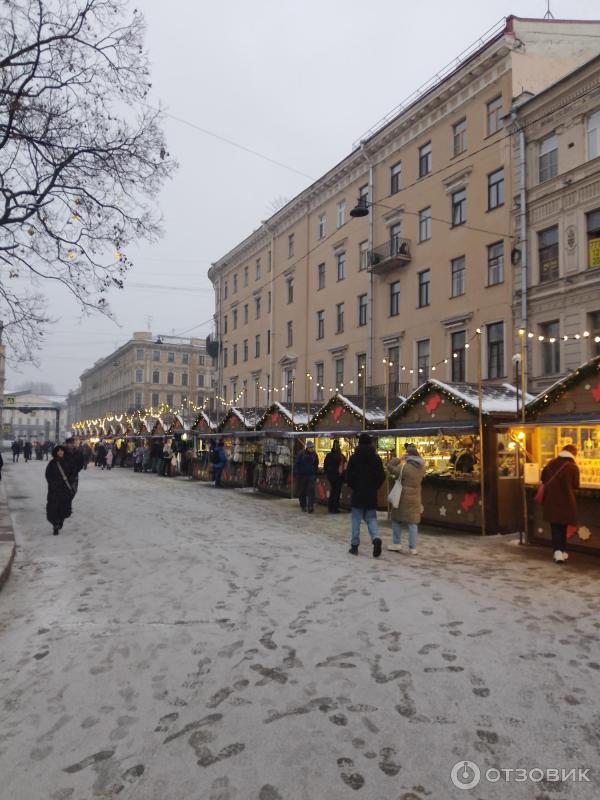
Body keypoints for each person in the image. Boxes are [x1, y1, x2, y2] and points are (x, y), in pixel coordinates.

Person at [345, 432, 386, 557]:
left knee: (356, 520)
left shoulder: (354, 458)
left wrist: (354, 486)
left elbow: (349, 476)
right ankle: (376, 538)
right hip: (370, 494)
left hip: (358, 493)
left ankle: (354, 545)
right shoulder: (376, 458)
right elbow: (381, 476)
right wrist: (374, 487)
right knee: (371, 519)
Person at [541, 443, 580, 564]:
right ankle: (560, 551)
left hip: (551, 501)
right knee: (563, 526)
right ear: (574, 454)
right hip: (566, 501)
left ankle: (558, 551)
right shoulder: (573, 467)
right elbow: (576, 485)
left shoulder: (550, 463)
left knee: (555, 526)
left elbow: (543, 478)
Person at [387, 444, 426, 555]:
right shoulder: (422, 467)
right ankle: (413, 547)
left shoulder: (403, 467)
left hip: (402, 497)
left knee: (396, 519)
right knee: (413, 522)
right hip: (415, 497)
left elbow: (389, 466)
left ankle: (396, 543)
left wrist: (399, 459)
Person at [45, 445, 74, 535]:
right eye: (58, 451)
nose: (60, 452)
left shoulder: (68, 462)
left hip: (65, 489)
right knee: (53, 508)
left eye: (62, 451)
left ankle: (60, 521)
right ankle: (55, 524)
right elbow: (48, 475)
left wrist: (70, 481)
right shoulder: (52, 463)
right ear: (56, 452)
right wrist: (52, 483)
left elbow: (72, 474)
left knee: (63, 508)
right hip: (54, 490)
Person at [295, 441, 319, 513]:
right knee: (302, 491)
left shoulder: (314, 455)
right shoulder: (301, 454)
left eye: (313, 447)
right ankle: (303, 505)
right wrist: (297, 473)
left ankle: (310, 506)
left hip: (311, 475)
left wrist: (314, 472)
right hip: (302, 475)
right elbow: (297, 464)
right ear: (307, 448)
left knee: (311, 490)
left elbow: (316, 464)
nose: (312, 449)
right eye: (311, 447)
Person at [324, 439, 346, 514]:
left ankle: (330, 507)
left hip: (331, 476)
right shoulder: (341, 456)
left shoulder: (329, 455)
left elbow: (325, 466)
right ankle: (335, 507)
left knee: (333, 491)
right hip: (338, 477)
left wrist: (328, 473)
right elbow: (344, 467)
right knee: (336, 492)